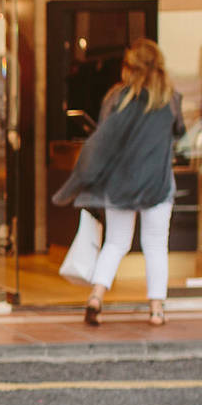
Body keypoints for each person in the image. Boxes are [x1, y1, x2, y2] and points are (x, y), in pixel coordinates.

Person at [52, 38, 184, 327]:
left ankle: (96, 297)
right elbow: (179, 131)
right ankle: (157, 310)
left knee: (115, 243)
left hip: (120, 183)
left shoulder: (117, 97)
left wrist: (80, 182)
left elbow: (103, 140)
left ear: (129, 67)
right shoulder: (170, 99)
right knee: (155, 245)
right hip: (158, 183)